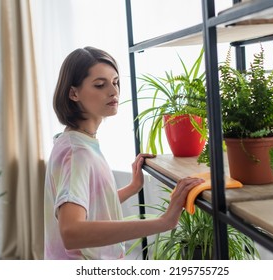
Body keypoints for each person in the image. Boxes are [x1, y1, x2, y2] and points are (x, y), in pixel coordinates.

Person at [44, 46, 204, 260]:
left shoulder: (74, 140)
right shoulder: (77, 154)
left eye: (116, 82)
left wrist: (133, 187)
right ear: (74, 93)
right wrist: (164, 222)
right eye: (100, 85)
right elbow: (71, 233)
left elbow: (91, 207)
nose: (113, 91)